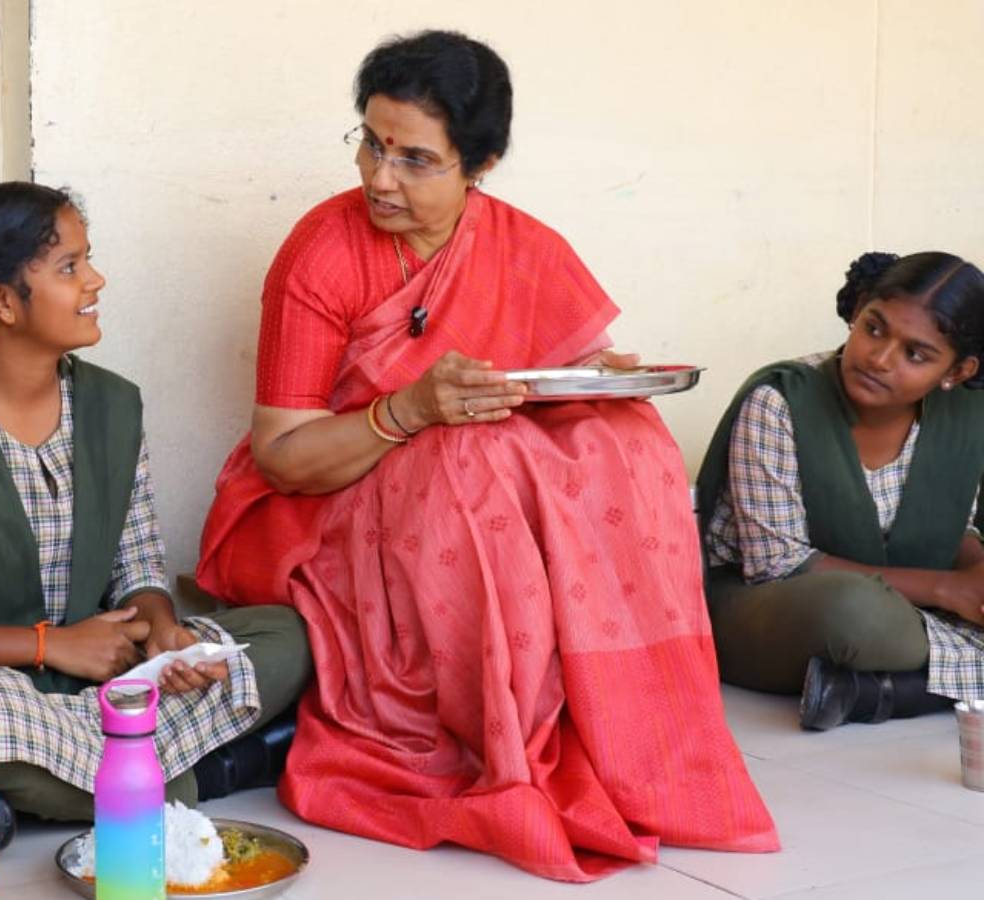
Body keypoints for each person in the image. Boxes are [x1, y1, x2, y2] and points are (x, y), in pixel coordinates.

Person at [196, 30, 777, 880]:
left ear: (481, 164)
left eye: (415, 159)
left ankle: (629, 731)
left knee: (627, 441)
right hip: (317, 505)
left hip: (458, 493)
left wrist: (600, 383)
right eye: (371, 143)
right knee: (475, 460)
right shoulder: (323, 250)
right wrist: (408, 409)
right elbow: (283, 457)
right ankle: (494, 737)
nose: (379, 178)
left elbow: (556, 390)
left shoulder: (524, 246)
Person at [0, 182, 311, 829]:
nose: (95, 280)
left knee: (288, 634)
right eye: (69, 267)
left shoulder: (111, 407)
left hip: (97, 677)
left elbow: (137, 566)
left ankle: (36, 784)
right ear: (2, 300)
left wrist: (162, 631)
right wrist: (48, 646)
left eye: (88, 259)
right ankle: (194, 772)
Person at [699, 251, 984, 730]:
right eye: (874, 328)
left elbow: (956, 525)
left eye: (915, 354)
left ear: (957, 372)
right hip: (774, 608)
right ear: (857, 310)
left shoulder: (967, 415)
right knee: (856, 614)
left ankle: (870, 693)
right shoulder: (780, 401)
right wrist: (947, 589)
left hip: (905, 605)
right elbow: (777, 565)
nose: (879, 358)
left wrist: (977, 577)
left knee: (884, 621)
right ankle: (915, 684)